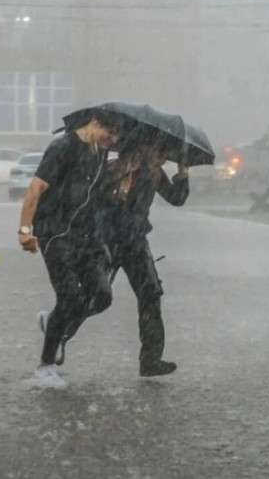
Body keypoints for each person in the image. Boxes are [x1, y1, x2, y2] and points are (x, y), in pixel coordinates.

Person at [59, 133, 190, 377]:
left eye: (166, 156)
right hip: (105, 241)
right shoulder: (115, 168)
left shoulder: (156, 174)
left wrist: (182, 176)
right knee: (94, 296)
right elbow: (89, 199)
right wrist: (117, 187)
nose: (163, 160)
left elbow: (176, 199)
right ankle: (58, 337)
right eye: (160, 153)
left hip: (136, 243)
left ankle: (151, 359)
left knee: (150, 293)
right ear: (145, 149)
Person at [18, 110, 131, 385]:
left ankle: (55, 324)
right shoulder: (63, 147)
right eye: (109, 134)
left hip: (87, 234)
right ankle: (45, 367)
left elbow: (93, 194)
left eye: (116, 137)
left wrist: (121, 187)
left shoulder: (99, 151)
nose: (112, 141)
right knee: (69, 298)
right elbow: (35, 190)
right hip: (55, 233)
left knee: (102, 297)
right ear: (94, 123)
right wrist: (25, 230)